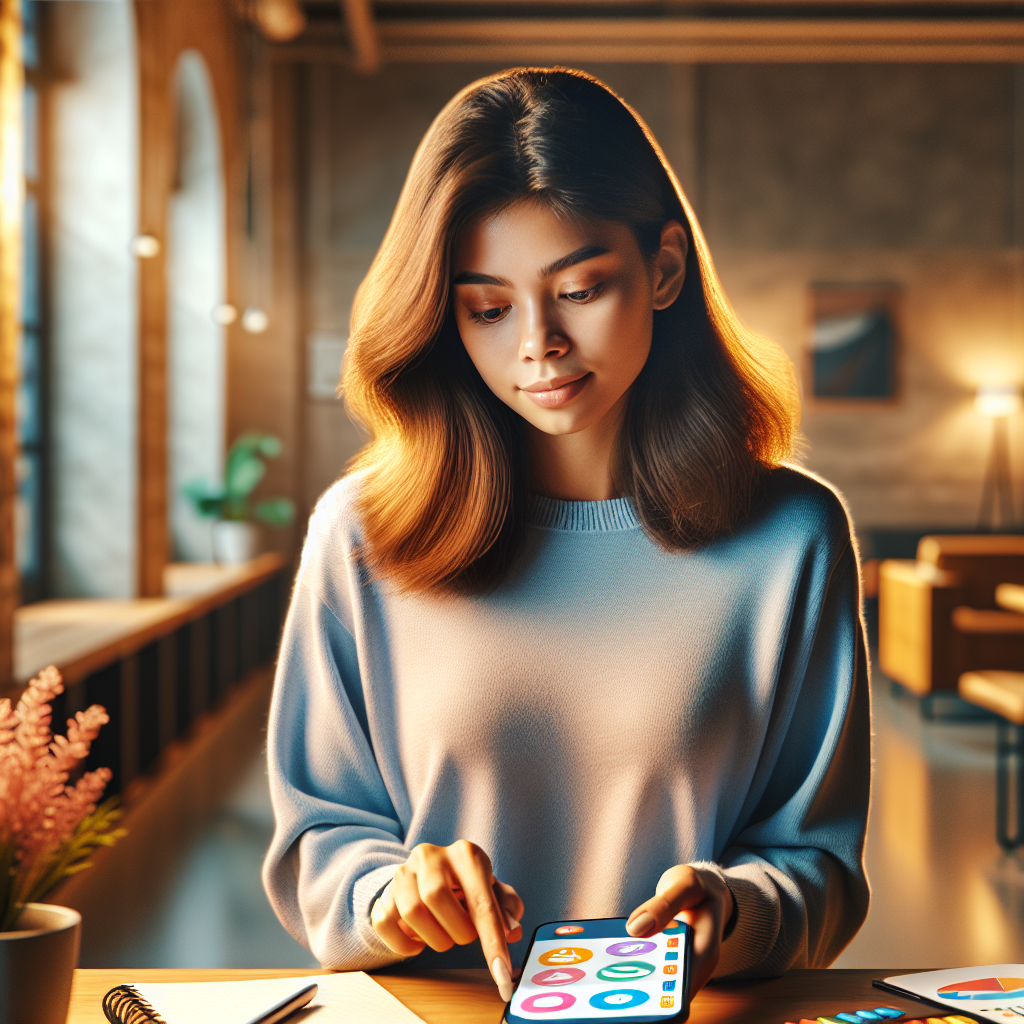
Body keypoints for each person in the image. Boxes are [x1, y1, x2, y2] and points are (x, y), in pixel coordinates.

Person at [262, 67, 870, 1003]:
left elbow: (817, 864)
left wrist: (735, 909)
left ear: (664, 269)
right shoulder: (361, 535)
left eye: (579, 289)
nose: (537, 344)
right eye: (489, 308)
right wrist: (392, 894)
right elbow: (320, 839)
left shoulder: (793, 536)